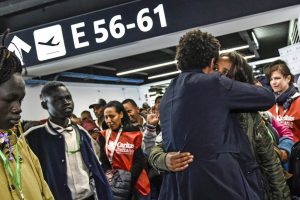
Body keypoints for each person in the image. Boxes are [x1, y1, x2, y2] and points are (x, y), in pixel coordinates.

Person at [158, 29, 275, 200]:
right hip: (221, 183)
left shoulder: (169, 91)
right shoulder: (213, 82)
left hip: (180, 186)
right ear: (212, 62)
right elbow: (267, 98)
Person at [24, 81, 113, 200]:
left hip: (88, 197)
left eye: (68, 97)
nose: (66, 102)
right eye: (58, 99)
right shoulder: (33, 137)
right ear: (45, 105)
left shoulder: (82, 133)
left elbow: (96, 169)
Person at [0, 32, 54, 200]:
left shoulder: (19, 145)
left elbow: (46, 194)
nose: (18, 109)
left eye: (20, 100)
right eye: (10, 100)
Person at [98, 101, 150, 200]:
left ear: (121, 114)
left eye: (112, 116)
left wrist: (128, 182)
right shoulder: (103, 135)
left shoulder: (134, 132)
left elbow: (139, 161)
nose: (108, 120)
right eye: (106, 117)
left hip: (138, 183)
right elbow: (104, 161)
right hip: (117, 186)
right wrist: (113, 181)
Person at [265, 60, 300, 143]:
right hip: (279, 153)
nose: (273, 82)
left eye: (277, 78)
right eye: (271, 79)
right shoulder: (270, 104)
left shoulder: (298, 101)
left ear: (288, 78)